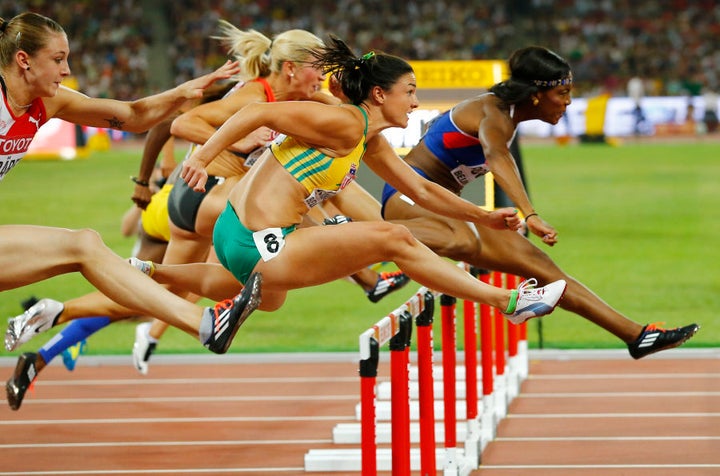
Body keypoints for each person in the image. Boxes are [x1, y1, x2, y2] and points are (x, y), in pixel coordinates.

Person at [130, 36, 568, 336]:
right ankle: (509, 303)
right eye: (410, 91)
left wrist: (483, 216)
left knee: (269, 299)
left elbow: (423, 190)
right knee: (394, 237)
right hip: (261, 241)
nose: (416, 102)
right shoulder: (342, 121)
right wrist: (203, 158)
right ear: (380, 95)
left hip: (237, 239)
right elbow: (253, 115)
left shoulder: (368, 139)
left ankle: (151, 271)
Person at [2, 12, 261, 409]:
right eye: (58, 59)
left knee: (85, 245)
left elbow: (132, 116)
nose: (67, 69)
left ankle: (205, 325)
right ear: (24, 60)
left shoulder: (48, 103)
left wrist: (181, 93)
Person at [379, 45, 699, 360]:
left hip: (441, 203)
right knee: (460, 238)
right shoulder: (493, 112)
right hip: (408, 196)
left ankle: (637, 336)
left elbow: (499, 157)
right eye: (562, 93)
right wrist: (529, 214)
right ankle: (369, 236)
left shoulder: (509, 116)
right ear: (536, 94)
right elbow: (497, 156)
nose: (568, 102)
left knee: (542, 268)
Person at [131, 23, 408, 374]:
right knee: (289, 219)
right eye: (317, 67)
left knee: (214, 287)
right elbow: (181, 123)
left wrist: (343, 95)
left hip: (228, 192)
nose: (323, 76)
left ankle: (134, 315)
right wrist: (237, 142)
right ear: (291, 68)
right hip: (204, 190)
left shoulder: (309, 98)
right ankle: (367, 275)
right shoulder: (255, 97)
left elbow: (350, 115)